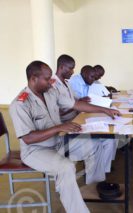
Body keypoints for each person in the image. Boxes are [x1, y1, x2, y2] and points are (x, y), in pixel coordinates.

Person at [9, 61, 120, 213]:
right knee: (66, 168)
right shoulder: (20, 104)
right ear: (33, 78)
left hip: (58, 142)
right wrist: (59, 127)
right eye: (47, 79)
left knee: (95, 145)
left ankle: (94, 187)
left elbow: (76, 105)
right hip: (35, 150)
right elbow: (28, 138)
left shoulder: (50, 92)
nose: (51, 82)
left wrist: (105, 110)